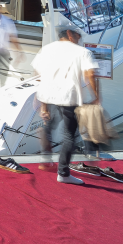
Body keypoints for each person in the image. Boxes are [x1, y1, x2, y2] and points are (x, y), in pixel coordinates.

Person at [32, 23, 100, 184]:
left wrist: (43, 104)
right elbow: (91, 74)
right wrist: (96, 97)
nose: (80, 38)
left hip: (49, 96)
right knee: (70, 135)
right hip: (69, 97)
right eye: (78, 34)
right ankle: (63, 173)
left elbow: (39, 74)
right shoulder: (83, 52)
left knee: (49, 125)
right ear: (70, 34)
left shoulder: (47, 49)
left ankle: (45, 158)